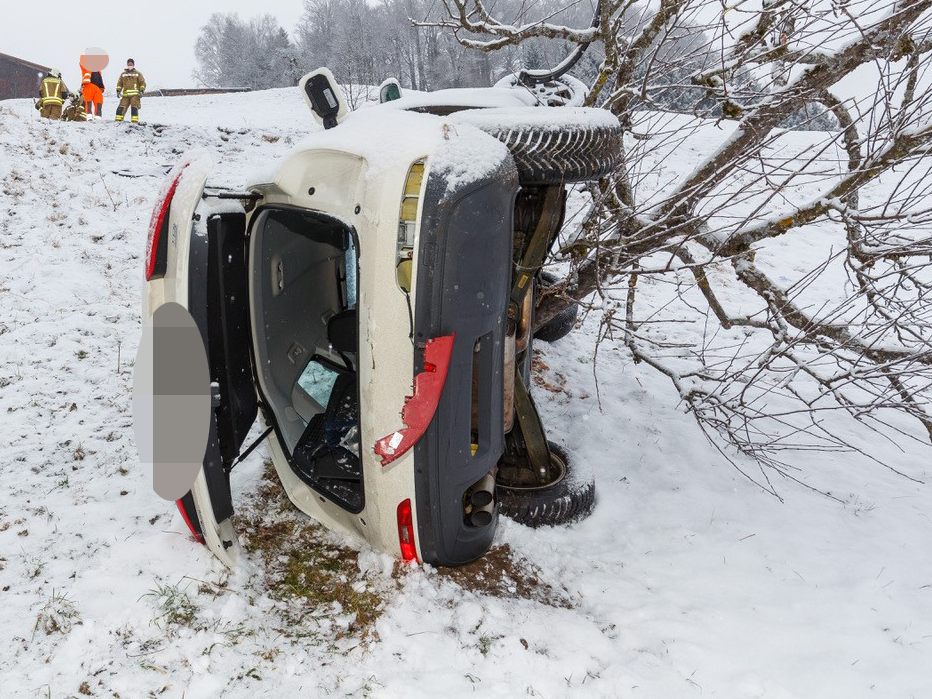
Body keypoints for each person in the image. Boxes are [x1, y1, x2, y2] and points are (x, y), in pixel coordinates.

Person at [115, 58, 146, 124]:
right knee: (121, 108)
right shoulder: (123, 74)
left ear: (133, 65)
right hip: (125, 95)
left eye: (131, 64)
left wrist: (142, 91)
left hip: (135, 95)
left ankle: (134, 123)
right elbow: (119, 84)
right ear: (127, 64)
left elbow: (142, 83)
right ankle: (118, 122)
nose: (130, 65)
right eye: (128, 64)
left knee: (134, 108)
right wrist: (118, 91)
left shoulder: (138, 74)